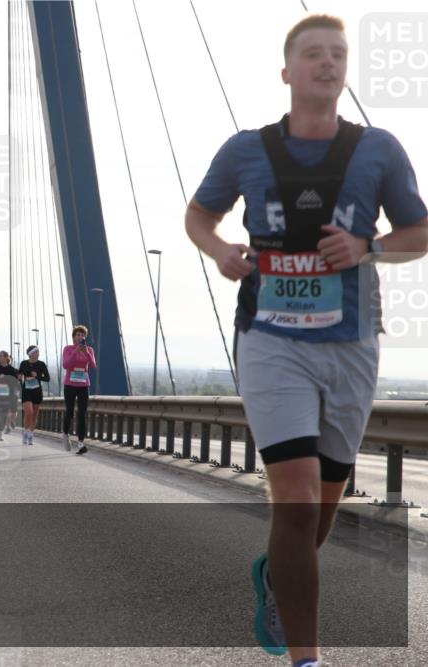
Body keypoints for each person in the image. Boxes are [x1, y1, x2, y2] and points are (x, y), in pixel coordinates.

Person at [185, 14, 427, 666]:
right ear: (287, 72)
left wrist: (369, 245)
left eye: (338, 55)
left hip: (350, 344)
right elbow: (198, 214)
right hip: (270, 340)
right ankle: (308, 658)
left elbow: (420, 230)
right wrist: (219, 251)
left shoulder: (380, 149)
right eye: (313, 55)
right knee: (292, 499)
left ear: (347, 72)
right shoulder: (245, 150)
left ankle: (275, 575)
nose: (327, 64)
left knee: (319, 510)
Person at [62, 325, 97, 454]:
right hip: (70, 384)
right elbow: (66, 365)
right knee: (69, 412)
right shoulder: (68, 349)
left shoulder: (90, 350)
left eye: (83, 335)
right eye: (78, 335)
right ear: (73, 337)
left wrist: (86, 353)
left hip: (83, 385)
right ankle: (65, 435)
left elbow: (93, 365)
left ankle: (81, 443)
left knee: (82, 414)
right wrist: (75, 352)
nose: (80, 337)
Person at [17, 346, 50, 446]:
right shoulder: (24, 363)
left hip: (37, 391)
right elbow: (20, 374)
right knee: (29, 413)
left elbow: (47, 378)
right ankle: (25, 432)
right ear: (30, 354)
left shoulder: (41, 364)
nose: (38, 353)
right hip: (26, 391)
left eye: (38, 352)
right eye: (36, 352)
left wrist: (37, 376)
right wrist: (19, 376)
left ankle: (31, 433)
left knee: (34, 414)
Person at [0, 351, 18, 442]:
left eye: (0, 356)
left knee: (5, 414)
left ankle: (0, 434)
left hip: (7, 395)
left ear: (6, 358)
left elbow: (14, 384)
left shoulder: (12, 370)